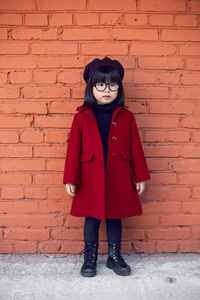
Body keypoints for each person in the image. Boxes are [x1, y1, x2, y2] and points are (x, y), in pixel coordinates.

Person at [63, 56, 151, 277]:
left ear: (118, 88)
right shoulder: (81, 118)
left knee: (115, 216)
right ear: (91, 88)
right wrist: (70, 178)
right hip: (90, 176)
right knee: (91, 217)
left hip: (118, 175)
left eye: (112, 85)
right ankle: (89, 259)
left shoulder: (127, 117)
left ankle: (114, 257)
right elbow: (73, 150)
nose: (106, 90)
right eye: (100, 85)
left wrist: (139, 176)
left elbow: (136, 148)